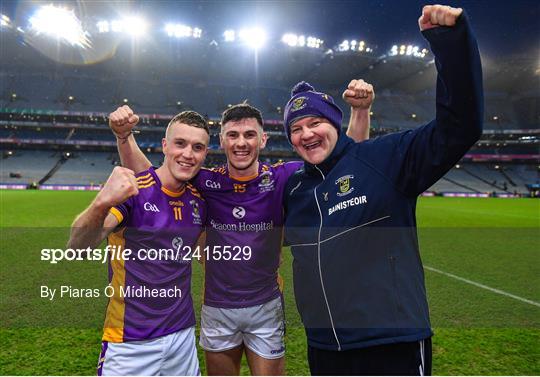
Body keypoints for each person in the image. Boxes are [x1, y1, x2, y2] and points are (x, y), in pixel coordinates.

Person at [110, 80, 374, 375]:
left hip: (265, 306)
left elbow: (344, 163)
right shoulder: (205, 181)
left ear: (262, 140)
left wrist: (360, 112)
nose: (241, 142)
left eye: (250, 135)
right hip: (217, 307)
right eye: (232, 135)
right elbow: (153, 179)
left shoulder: (283, 177)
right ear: (221, 141)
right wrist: (125, 138)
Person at [282, 5, 483, 376]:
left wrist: (451, 45)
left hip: (392, 345)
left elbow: (460, 127)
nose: (307, 133)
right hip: (324, 349)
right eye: (296, 129)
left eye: (315, 122)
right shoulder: (294, 190)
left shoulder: (386, 157)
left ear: (335, 124)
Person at [67, 111, 210, 375]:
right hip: (129, 342)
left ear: (205, 154)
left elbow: (207, 254)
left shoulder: (199, 201)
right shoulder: (135, 190)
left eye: (197, 147)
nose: (188, 154)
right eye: (180, 143)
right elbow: (76, 250)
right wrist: (101, 203)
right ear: (165, 146)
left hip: (182, 337)